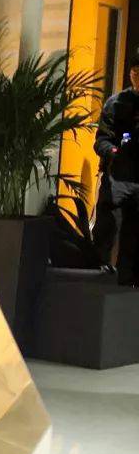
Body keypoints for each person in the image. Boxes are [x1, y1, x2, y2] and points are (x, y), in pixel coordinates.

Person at [94, 59, 139, 285]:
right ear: (131, 74)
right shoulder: (116, 103)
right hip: (117, 178)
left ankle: (128, 282)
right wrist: (114, 151)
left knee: (134, 237)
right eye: (136, 71)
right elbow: (100, 141)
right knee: (107, 230)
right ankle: (100, 277)